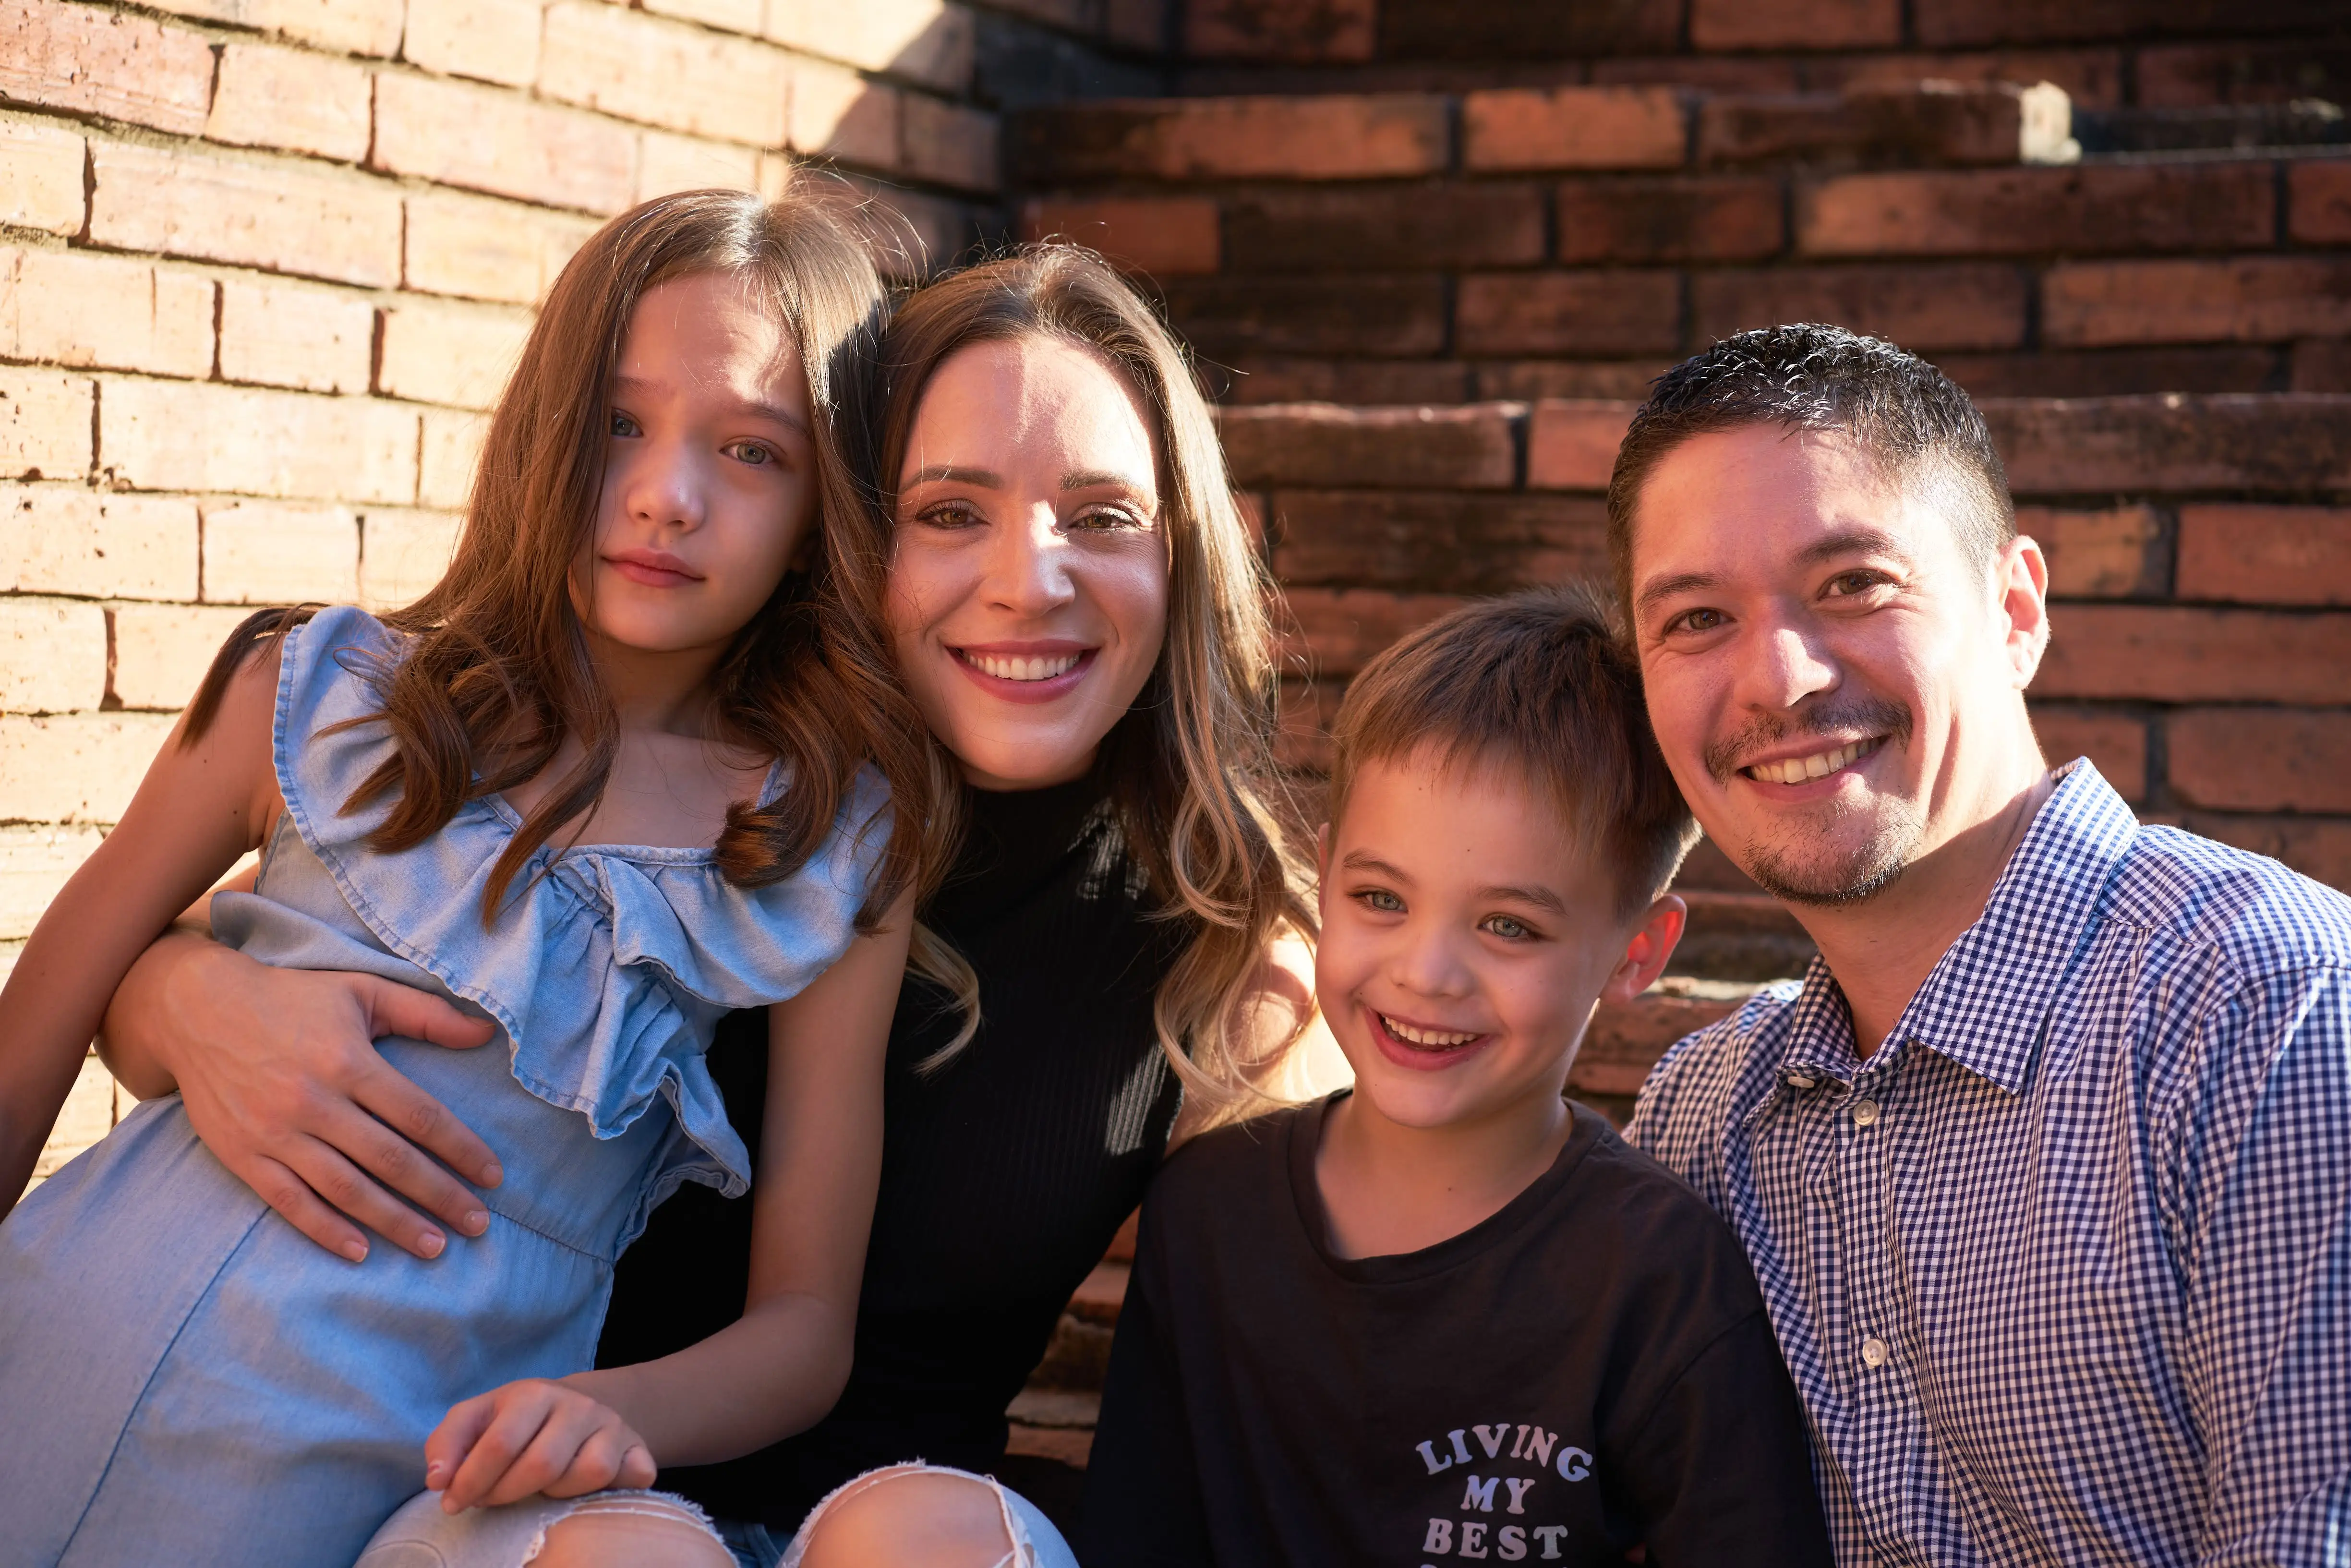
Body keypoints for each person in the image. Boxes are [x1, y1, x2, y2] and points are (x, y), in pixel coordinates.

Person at [94, 246, 1331, 1568]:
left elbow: (1280, 1414)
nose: (1031, 580)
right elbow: (265, 948)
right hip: (522, 1502)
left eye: (1103, 516)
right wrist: (183, 993)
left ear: (1184, 552)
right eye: (949, 511)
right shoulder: (690, 797)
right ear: (844, 536)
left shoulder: (1227, 964)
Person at [0, 186, 934, 1568]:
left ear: (822, 508)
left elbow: (804, 1331)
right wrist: (182, 1000)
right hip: (47, 1350)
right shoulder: (308, 690)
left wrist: (609, 1411)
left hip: (377, 1491)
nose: (665, 496)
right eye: (618, 423)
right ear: (547, 424)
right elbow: (29, 1043)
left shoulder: (824, 848)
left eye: (751, 450)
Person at [1615, 324, 2351, 1563]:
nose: (1779, 679)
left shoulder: (2267, 1014)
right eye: (1696, 617)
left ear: (2016, 610)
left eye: (1853, 584)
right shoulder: (1703, 1123)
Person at [1077, 588, 1835, 1567]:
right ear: (1326, 876)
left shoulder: (1661, 1276)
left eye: (1508, 925)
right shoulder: (1205, 1214)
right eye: (1380, 898)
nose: (1427, 973)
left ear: (1637, 952)